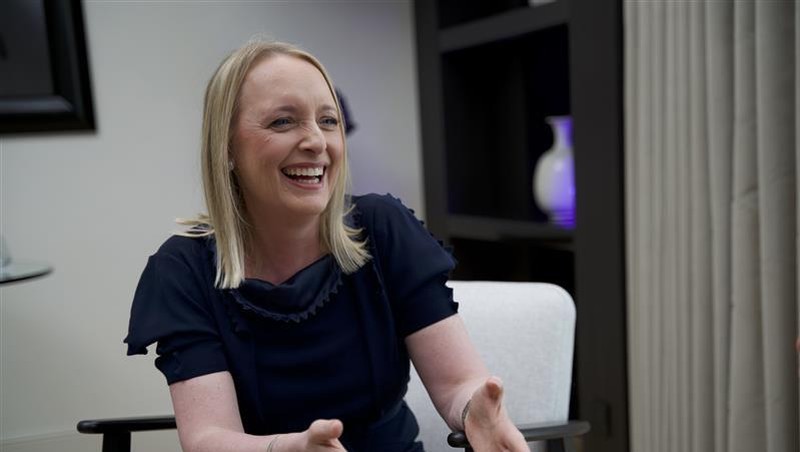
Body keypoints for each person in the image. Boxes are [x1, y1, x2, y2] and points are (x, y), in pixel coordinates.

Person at [125, 40, 528, 452]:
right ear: (226, 146)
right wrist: (289, 448)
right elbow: (208, 437)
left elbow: (458, 384)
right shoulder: (183, 269)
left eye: (328, 120)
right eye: (283, 122)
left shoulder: (383, 229)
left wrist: (472, 409)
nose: (317, 142)